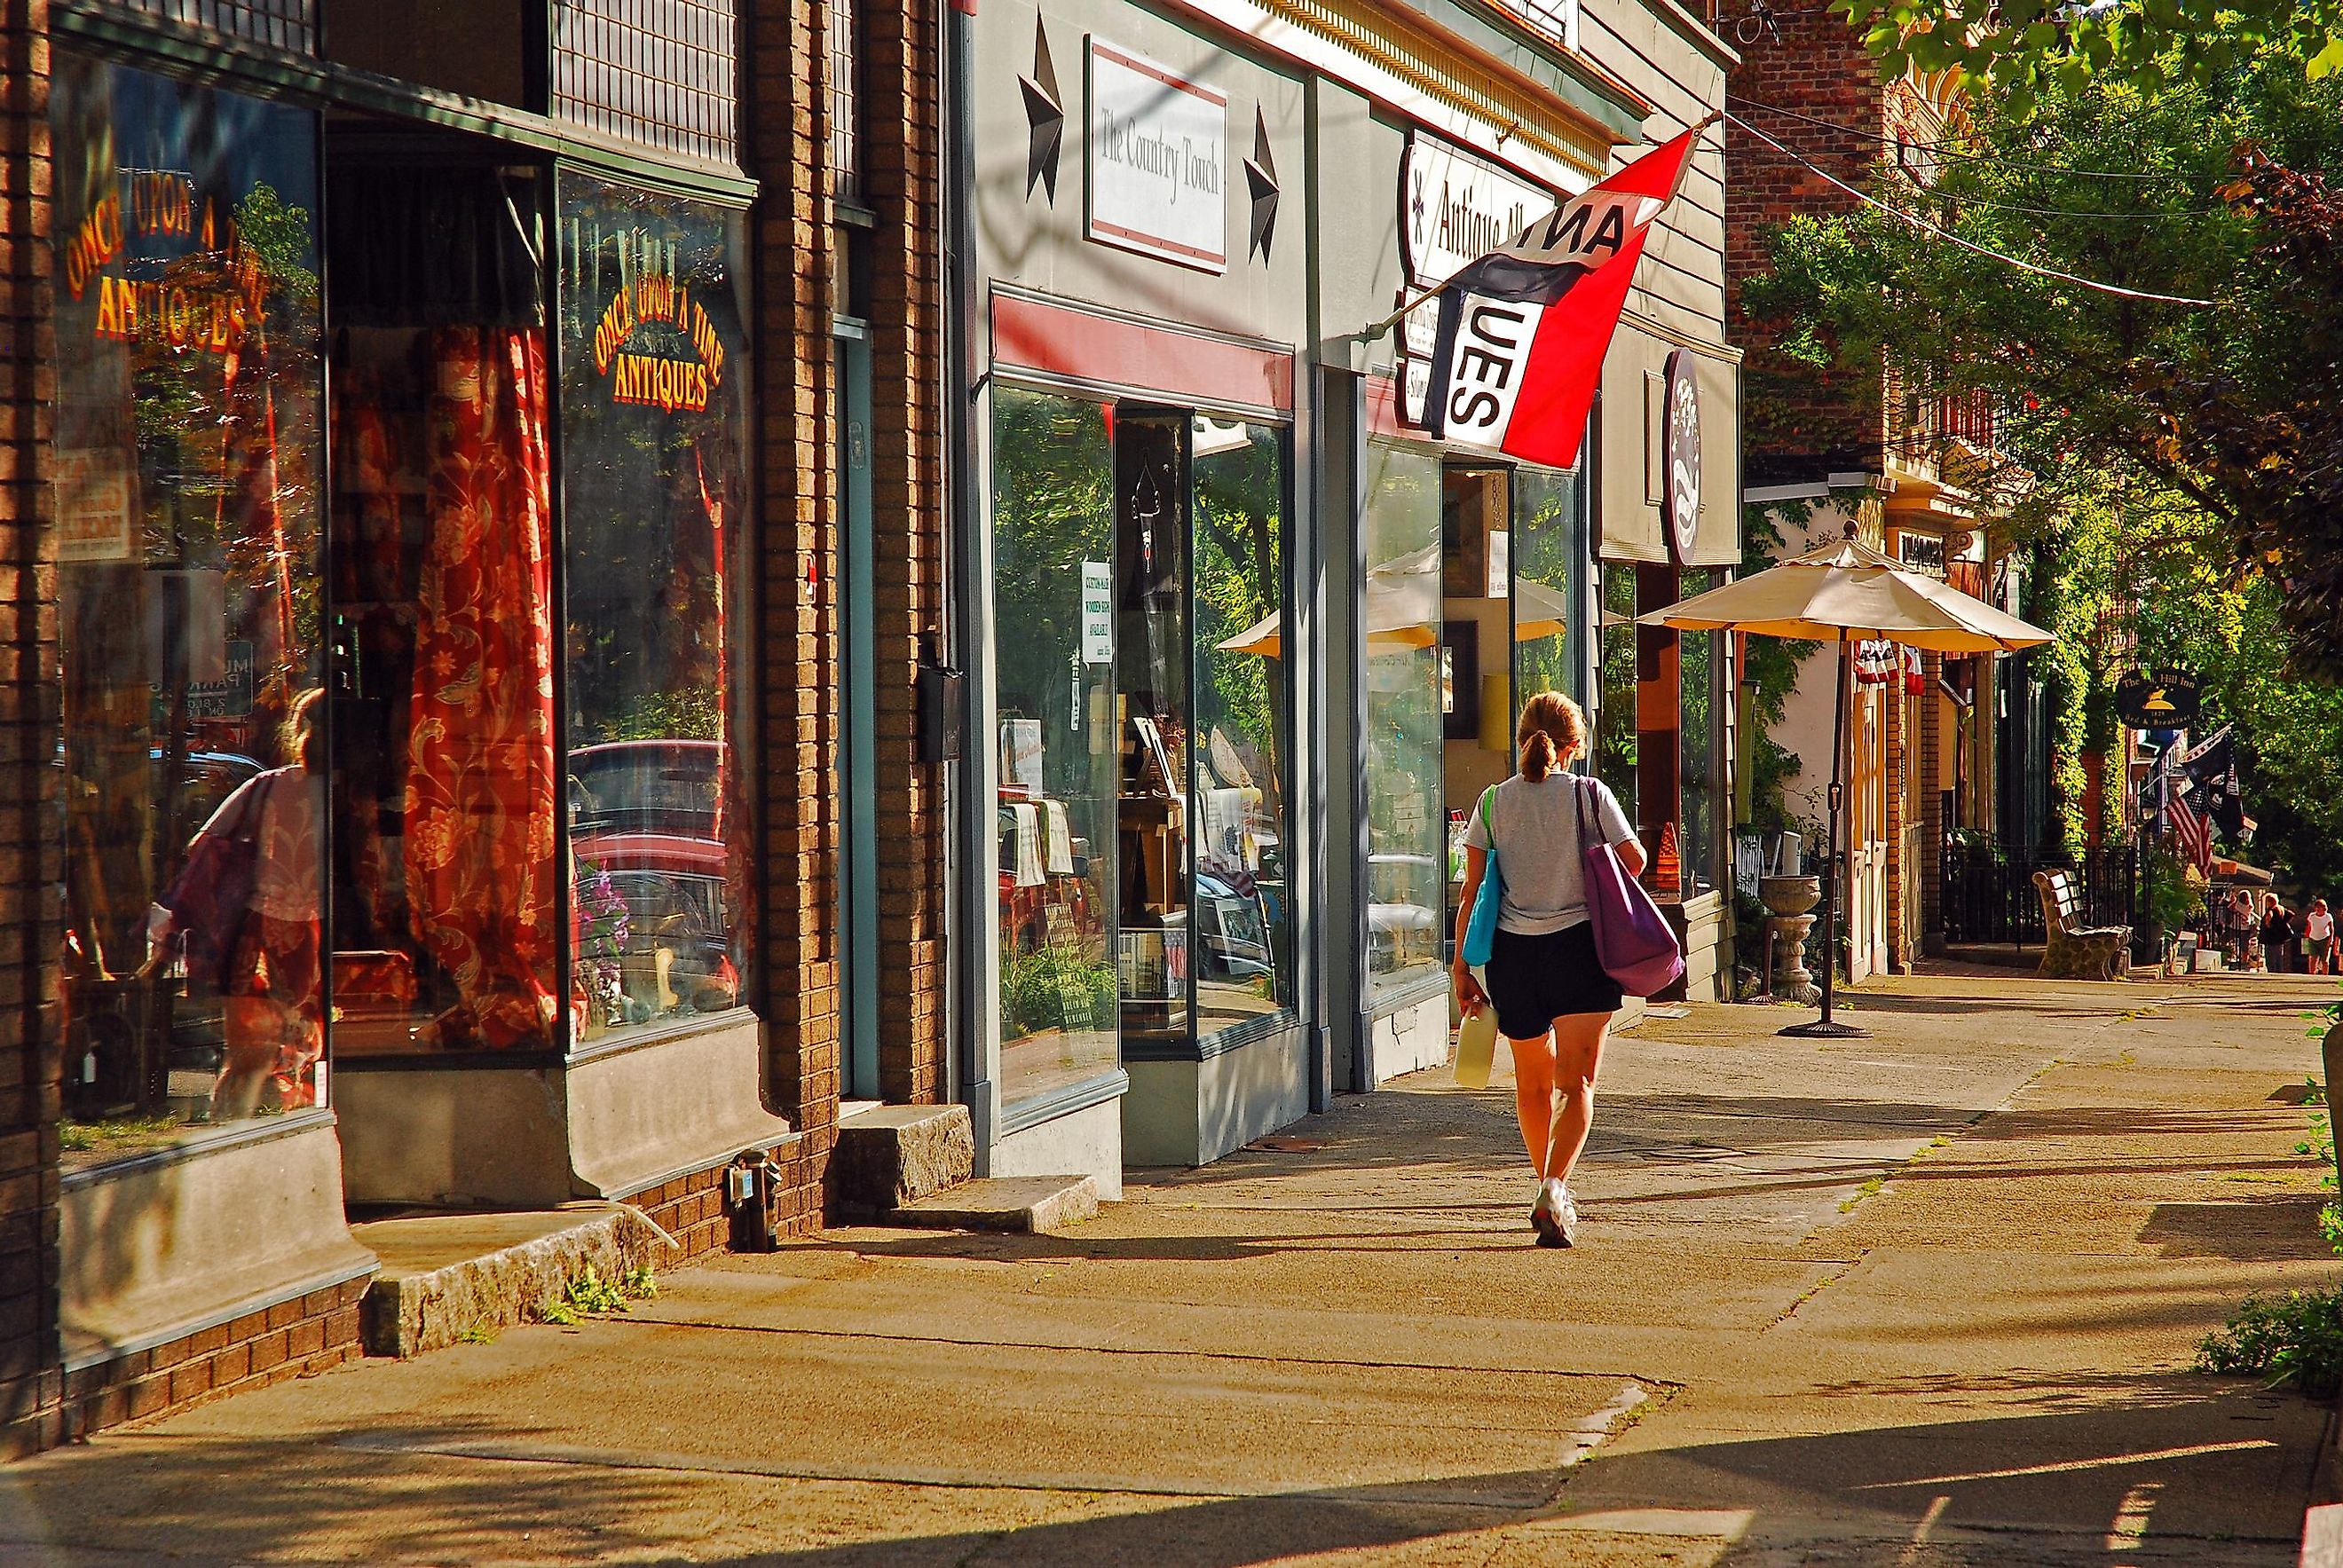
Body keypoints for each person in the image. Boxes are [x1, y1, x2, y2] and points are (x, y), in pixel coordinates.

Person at [1451, 690, 1645, 1249]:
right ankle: (1556, 1188)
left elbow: (1472, 891)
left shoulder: (1493, 803)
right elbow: (1632, 861)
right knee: (1577, 1082)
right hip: (1582, 950)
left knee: (1533, 1083)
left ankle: (1545, 1186)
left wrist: (1462, 967)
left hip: (1516, 957)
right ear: (1575, 745)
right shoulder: (1591, 795)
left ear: (1522, 743)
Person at [144, 689, 325, 1121]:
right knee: (311, 1059)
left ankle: (228, 1131)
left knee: (249, 1058)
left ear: (297, 731)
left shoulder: (265, 787)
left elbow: (203, 847)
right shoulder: (347, 794)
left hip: (254, 937)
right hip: (315, 941)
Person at [2264, 893, 2300, 976]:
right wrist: (2283, 922)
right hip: (2280, 937)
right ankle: (2279, 971)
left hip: (2271, 937)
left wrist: (2268, 924)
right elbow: (2291, 914)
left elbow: (2269, 918)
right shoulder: (2281, 909)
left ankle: (2272, 972)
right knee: (2279, 955)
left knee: (2270, 955)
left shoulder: (2271, 910)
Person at [2308, 897, 2335, 976]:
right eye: (2317, 907)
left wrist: (2331, 939)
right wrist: (2308, 936)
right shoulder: (2311, 916)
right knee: (2313, 959)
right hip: (2313, 939)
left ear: (2324, 908)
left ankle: (2325, 976)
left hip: (2324, 940)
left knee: (2325, 960)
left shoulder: (2328, 917)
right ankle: (2312, 975)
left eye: (2320, 907)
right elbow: (2309, 926)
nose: (2318, 909)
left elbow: (2331, 928)